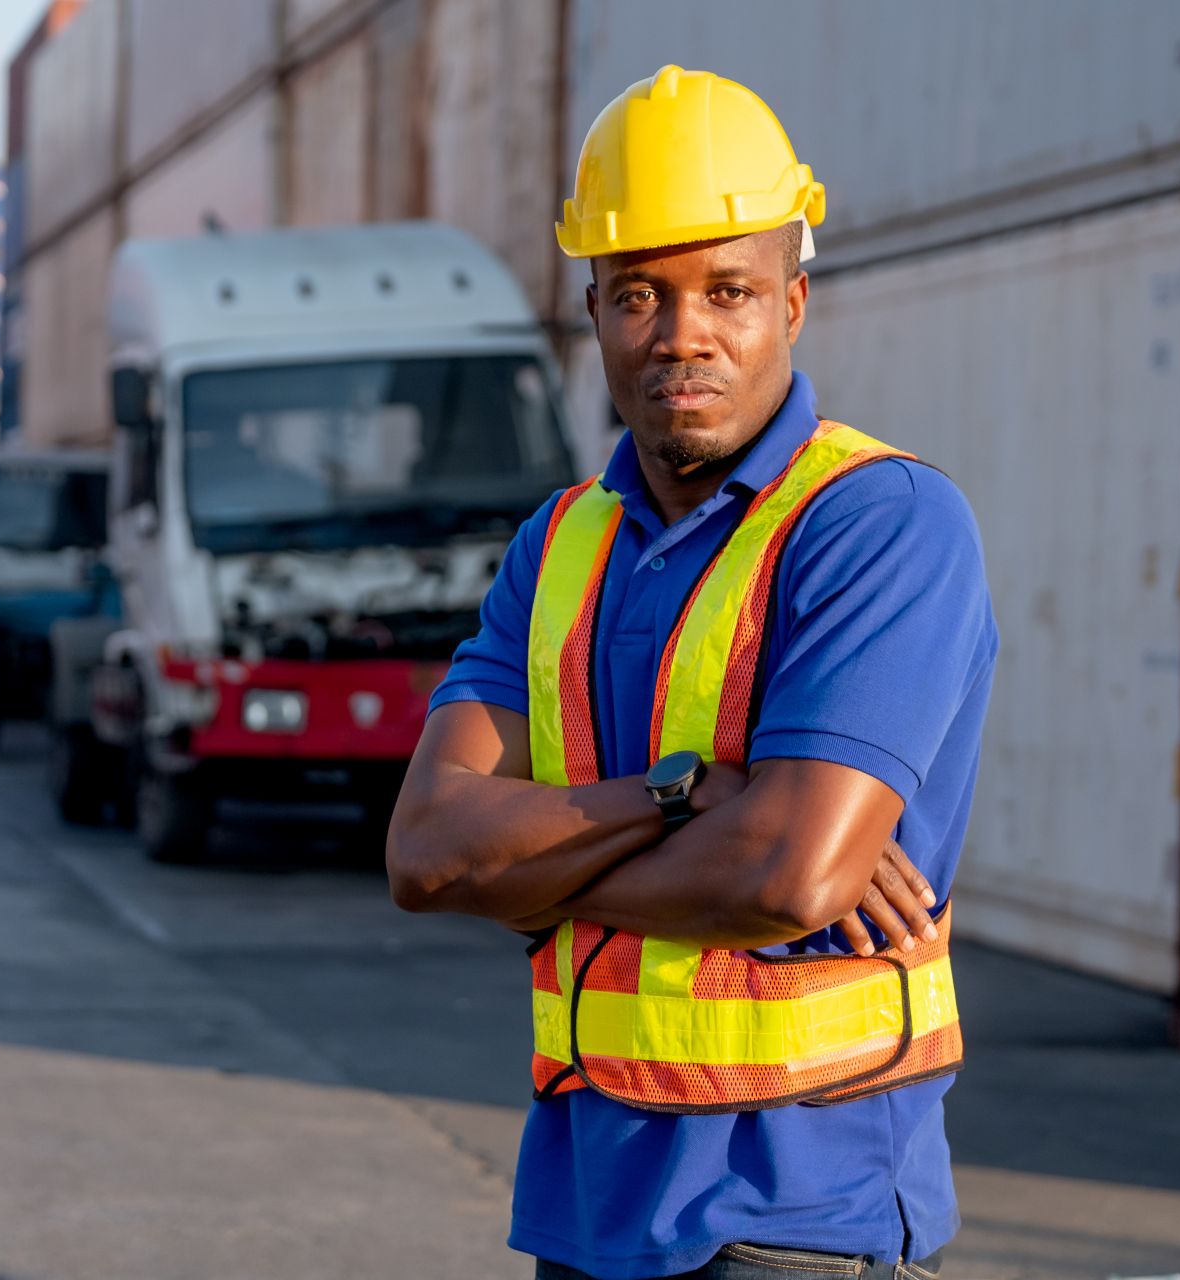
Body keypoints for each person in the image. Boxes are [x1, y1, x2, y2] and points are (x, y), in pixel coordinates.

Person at [387, 65, 998, 1280]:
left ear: (795, 301)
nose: (683, 335)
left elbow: (786, 872)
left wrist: (536, 873)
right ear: (596, 311)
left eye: (729, 289)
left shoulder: (879, 522)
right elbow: (425, 854)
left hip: (796, 1223)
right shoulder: (560, 545)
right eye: (638, 295)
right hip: (583, 1207)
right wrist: (681, 793)